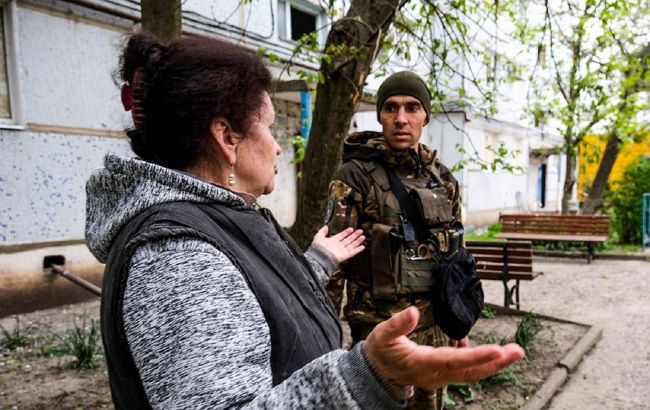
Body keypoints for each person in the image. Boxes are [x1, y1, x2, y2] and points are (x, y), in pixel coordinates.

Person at [85, 32, 523, 409]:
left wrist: (315, 261)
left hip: (428, 328)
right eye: (271, 128)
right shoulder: (176, 256)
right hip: (385, 325)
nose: (279, 148)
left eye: (413, 107)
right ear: (226, 138)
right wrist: (364, 375)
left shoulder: (222, 216)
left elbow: (259, 295)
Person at [325, 71, 475, 409]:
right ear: (379, 116)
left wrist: (459, 322)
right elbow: (333, 265)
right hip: (380, 334)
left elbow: (456, 257)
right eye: (390, 108)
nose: (401, 118)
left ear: (426, 116)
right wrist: (324, 338)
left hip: (434, 331)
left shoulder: (443, 179)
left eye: (412, 107)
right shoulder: (354, 177)